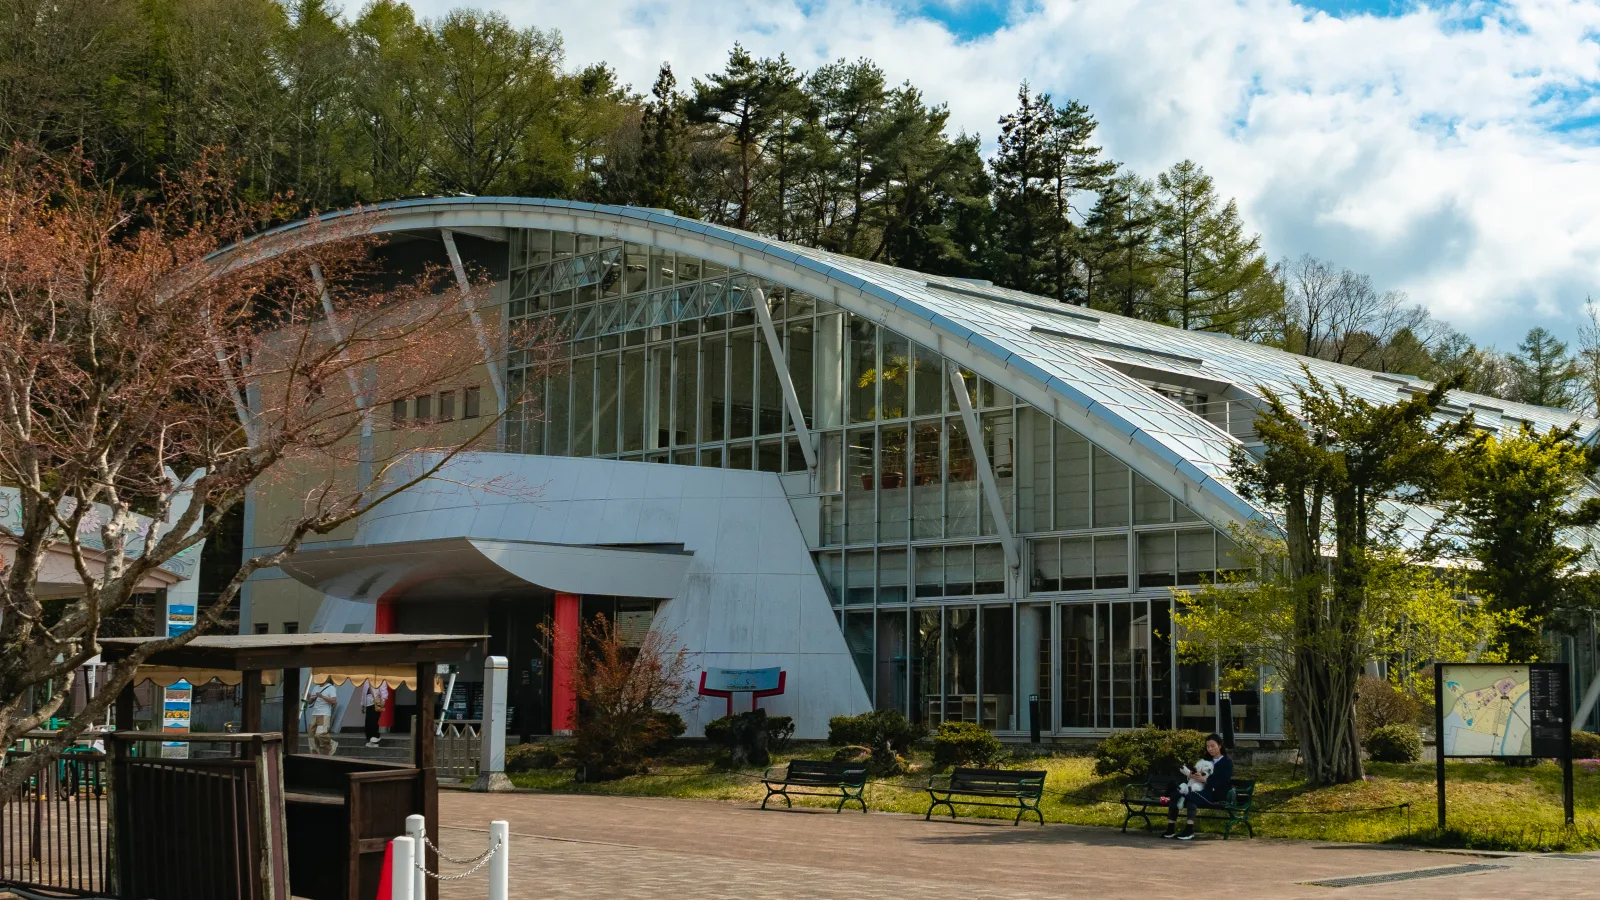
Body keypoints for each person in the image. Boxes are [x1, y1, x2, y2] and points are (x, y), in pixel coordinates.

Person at [1164, 733, 1233, 840]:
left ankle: (1189, 830)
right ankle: (1170, 829)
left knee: (1192, 796)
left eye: (1212, 746)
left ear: (1219, 746)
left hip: (1215, 794)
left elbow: (1224, 781)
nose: (1210, 749)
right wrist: (1192, 776)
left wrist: (1205, 780)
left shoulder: (1226, 762)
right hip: (1199, 789)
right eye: (1208, 746)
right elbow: (1194, 773)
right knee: (1176, 794)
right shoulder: (1205, 760)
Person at [308, 680, 340, 755]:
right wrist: (308, 696)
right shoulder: (315, 687)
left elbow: (334, 701)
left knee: (320, 734)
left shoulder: (330, 687)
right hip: (315, 714)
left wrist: (322, 696)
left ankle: (332, 744)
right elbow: (310, 702)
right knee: (311, 736)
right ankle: (314, 753)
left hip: (324, 714)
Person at [361, 681, 389, 747]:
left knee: (373, 721)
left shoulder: (380, 680)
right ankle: (370, 739)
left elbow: (383, 689)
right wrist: (363, 705)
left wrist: (383, 699)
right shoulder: (367, 681)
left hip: (376, 703)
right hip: (368, 703)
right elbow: (364, 693)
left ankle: (375, 739)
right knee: (368, 722)